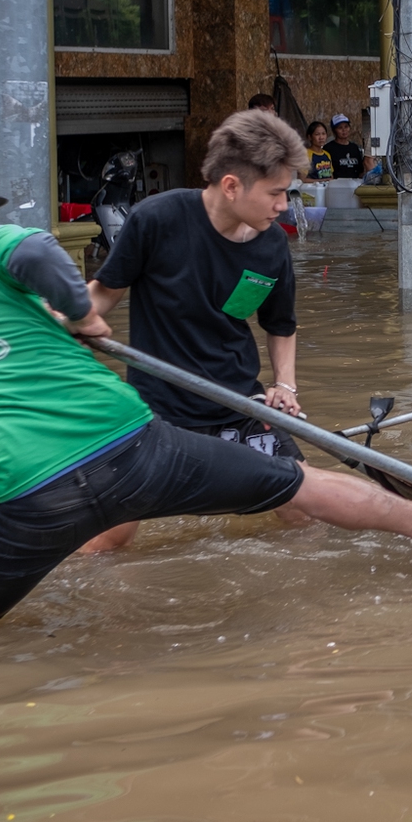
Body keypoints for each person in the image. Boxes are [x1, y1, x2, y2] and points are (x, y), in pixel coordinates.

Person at [0, 167, 412, 622]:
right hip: (135, 446)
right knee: (298, 480)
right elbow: (34, 248)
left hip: (29, 495)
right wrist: (81, 316)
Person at [77, 111, 311, 551]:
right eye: (276, 193)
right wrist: (68, 316)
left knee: (304, 509)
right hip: (158, 410)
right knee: (106, 538)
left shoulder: (272, 243)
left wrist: (285, 384)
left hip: (240, 403)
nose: (283, 205)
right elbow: (104, 294)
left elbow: (280, 325)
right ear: (231, 185)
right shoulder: (156, 219)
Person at [322, 113, 368, 178]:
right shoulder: (328, 148)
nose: (344, 130)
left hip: (354, 184)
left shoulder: (354, 147)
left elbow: (360, 170)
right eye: (340, 128)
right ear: (334, 130)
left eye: (346, 126)